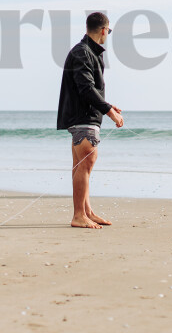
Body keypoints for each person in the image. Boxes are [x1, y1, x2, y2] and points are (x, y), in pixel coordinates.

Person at [57, 12, 124, 229]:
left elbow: (89, 88)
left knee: (82, 166)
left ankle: (87, 212)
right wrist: (109, 111)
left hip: (85, 116)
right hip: (83, 117)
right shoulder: (83, 52)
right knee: (86, 163)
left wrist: (107, 105)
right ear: (103, 30)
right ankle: (78, 215)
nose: (107, 34)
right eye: (108, 31)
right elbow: (85, 88)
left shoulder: (89, 52)